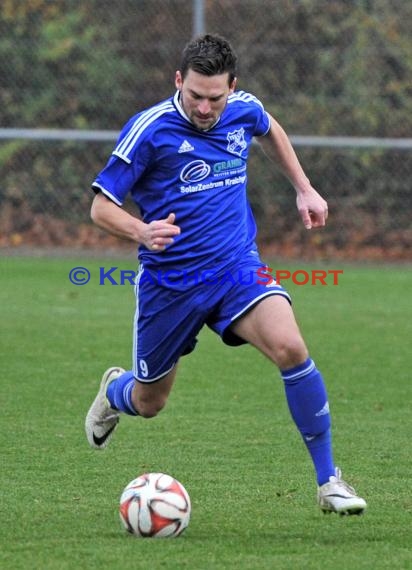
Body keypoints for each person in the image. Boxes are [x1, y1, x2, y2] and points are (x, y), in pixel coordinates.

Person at [85, 34, 366, 515]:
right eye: (195, 94)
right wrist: (141, 230)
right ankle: (115, 391)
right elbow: (99, 207)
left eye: (216, 97)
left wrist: (304, 188)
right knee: (150, 401)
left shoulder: (242, 108)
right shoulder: (149, 130)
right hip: (170, 285)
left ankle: (329, 482)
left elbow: (269, 125)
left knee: (292, 348)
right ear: (179, 81)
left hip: (236, 268)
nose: (204, 107)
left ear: (232, 88)